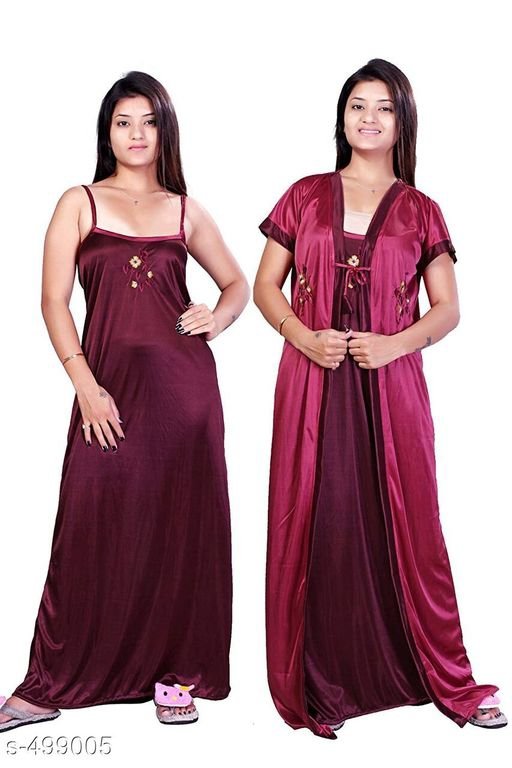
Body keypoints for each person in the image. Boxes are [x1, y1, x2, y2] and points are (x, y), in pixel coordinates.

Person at [254, 58, 506, 738]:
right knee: (320, 520)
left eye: (384, 108)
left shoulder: (421, 210)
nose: (369, 118)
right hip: (311, 383)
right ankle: (318, 681)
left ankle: (441, 674)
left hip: (393, 391)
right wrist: (303, 337)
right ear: (341, 118)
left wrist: (395, 345)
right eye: (357, 105)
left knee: (410, 522)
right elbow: (266, 286)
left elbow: (448, 309)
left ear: (403, 122)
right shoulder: (304, 195)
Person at [0, 71, 249, 732]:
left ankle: (175, 675)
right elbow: (53, 301)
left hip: (185, 399)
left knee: (179, 533)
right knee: (89, 523)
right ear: (106, 132)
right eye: (123, 122)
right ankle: (50, 681)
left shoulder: (184, 210)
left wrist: (217, 317)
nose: (137, 134)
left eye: (149, 121)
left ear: (165, 131)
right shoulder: (79, 202)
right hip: (105, 393)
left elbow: (237, 285)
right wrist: (85, 385)